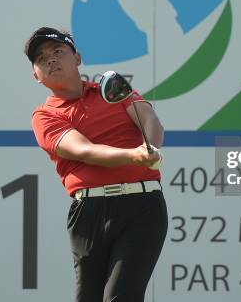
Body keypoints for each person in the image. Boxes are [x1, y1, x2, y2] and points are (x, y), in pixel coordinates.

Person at [24, 26, 168, 302]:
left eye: (58, 52)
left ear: (77, 58)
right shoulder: (44, 116)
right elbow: (84, 150)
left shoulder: (111, 88)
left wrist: (150, 147)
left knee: (120, 296)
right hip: (88, 213)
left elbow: (149, 120)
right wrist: (135, 155)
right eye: (41, 59)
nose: (51, 60)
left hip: (142, 206)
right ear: (36, 76)